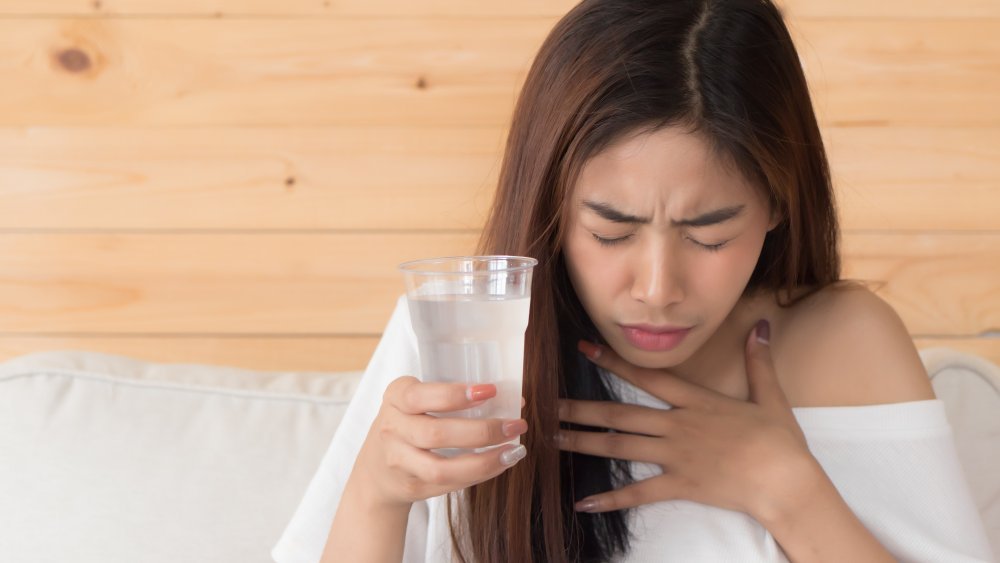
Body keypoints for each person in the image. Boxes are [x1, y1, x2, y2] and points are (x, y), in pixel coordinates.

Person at [272, 0, 994, 561]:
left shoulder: (843, 342)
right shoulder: (461, 328)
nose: (657, 285)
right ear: (553, 202)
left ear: (779, 202)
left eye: (709, 232)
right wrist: (374, 491)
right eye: (611, 230)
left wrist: (785, 488)